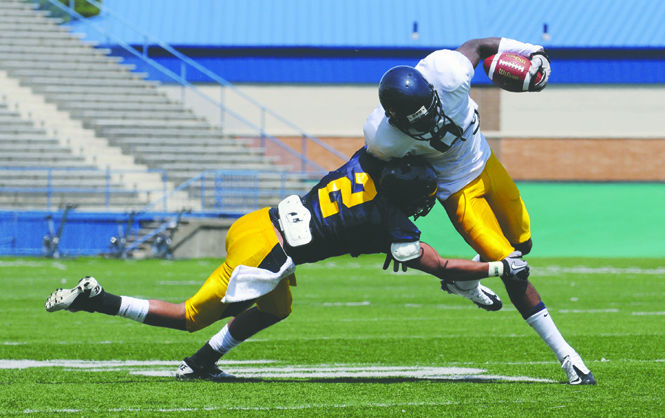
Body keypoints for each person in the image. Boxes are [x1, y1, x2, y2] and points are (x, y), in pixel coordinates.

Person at [45, 148, 529, 381]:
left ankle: (203, 364)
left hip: (258, 221)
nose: (424, 205)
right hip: (264, 255)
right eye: (422, 198)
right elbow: (440, 263)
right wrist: (498, 268)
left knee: (278, 309)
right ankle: (97, 299)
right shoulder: (391, 224)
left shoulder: (366, 161)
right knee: (190, 316)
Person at [363, 37, 595, 385]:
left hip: (486, 162)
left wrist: (531, 51)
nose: (428, 123)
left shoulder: (449, 73)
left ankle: (462, 279)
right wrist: (393, 229)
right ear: (395, 119)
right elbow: (378, 180)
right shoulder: (383, 138)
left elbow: (482, 45)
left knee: (523, 242)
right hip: (457, 191)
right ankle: (568, 357)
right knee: (513, 266)